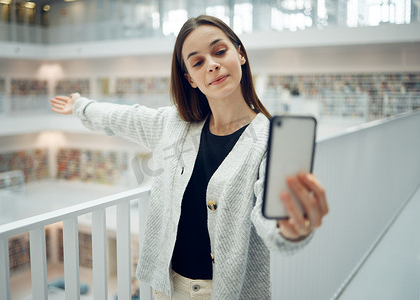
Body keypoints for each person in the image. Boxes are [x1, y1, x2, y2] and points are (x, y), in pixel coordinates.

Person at [50, 15, 328, 300]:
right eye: (197, 62)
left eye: (220, 51)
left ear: (240, 54)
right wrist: (80, 106)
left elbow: (272, 222)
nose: (212, 64)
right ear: (190, 79)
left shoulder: (267, 140)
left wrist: (292, 230)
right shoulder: (175, 126)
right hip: (167, 288)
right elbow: (124, 117)